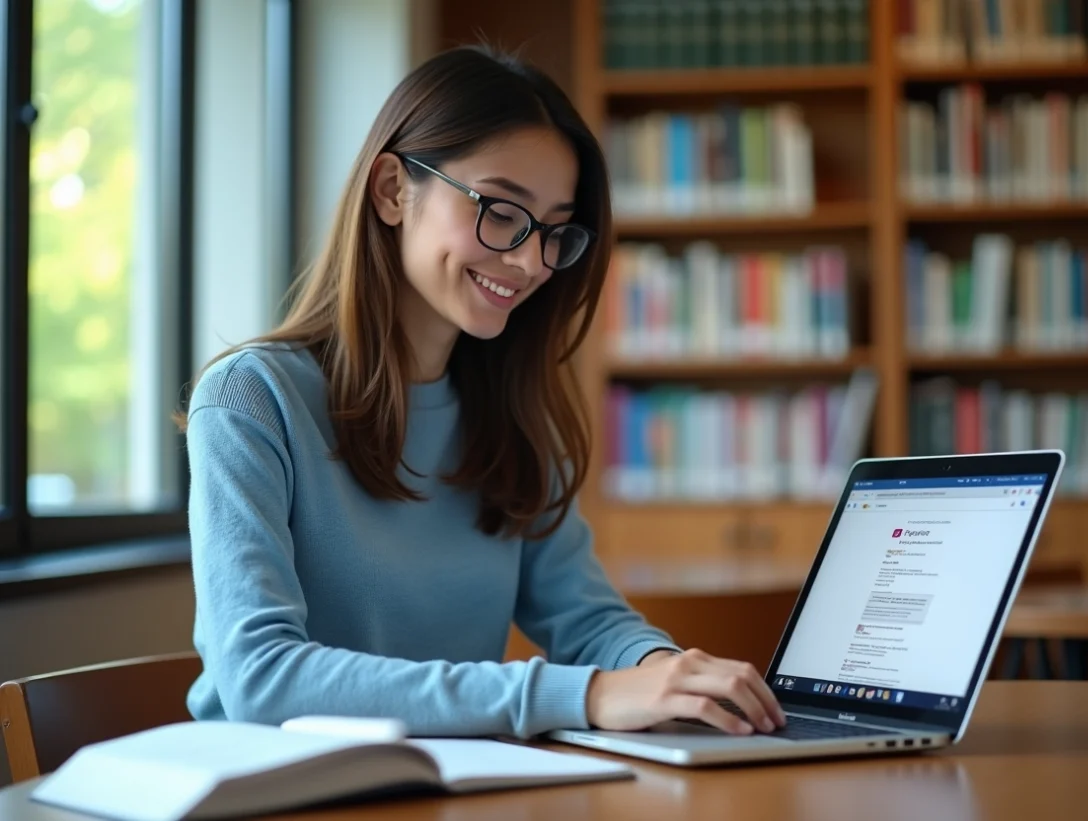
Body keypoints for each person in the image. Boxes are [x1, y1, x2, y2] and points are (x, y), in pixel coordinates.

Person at [177, 45, 786, 741]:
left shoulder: (514, 417)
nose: (530, 260)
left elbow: (588, 619)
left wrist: (673, 676)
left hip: (448, 789)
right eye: (501, 210)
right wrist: (587, 694)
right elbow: (261, 676)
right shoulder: (252, 400)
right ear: (392, 191)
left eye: (557, 231)